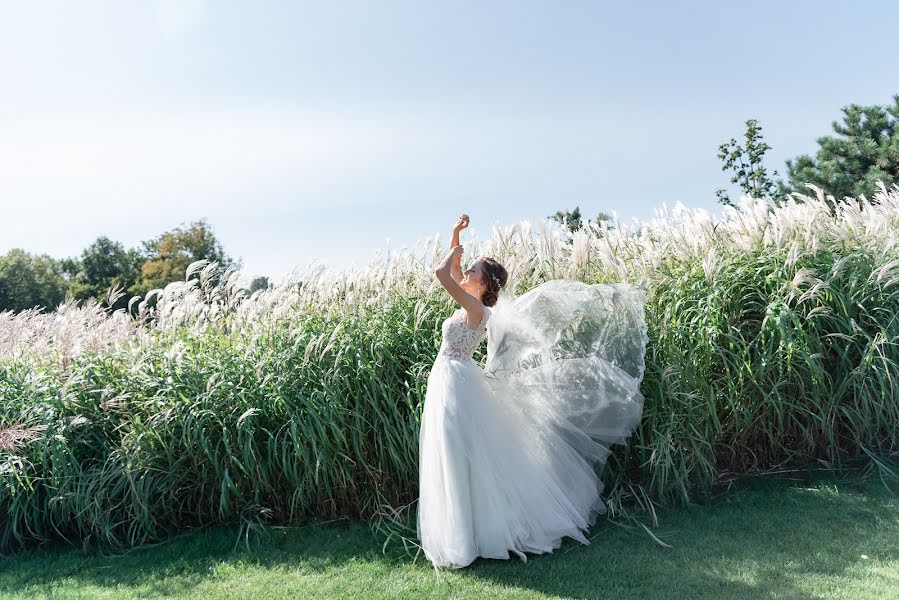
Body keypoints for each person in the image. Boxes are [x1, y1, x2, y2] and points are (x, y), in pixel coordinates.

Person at [417, 213, 648, 570]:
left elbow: (441, 275)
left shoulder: (476, 309)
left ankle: (477, 535)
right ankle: (466, 533)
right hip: (450, 379)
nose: (468, 271)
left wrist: (454, 253)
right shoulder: (470, 302)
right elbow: (453, 273)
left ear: (485, 281)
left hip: (457, 384)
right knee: (453, 453)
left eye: (474, 269)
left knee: (458, 451)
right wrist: (455, 236)